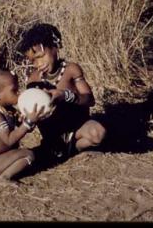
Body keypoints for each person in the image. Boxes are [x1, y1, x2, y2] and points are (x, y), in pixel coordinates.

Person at [16, 23, 107, 163]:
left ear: (55, 47)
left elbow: (90, 100)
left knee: (97, 133)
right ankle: (58, 147)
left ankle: (74, 148)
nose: (38, 64)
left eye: (40, 56)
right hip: (53, 134)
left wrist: (65, 95)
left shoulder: (71, 70)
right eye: (33, 61)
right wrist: (27, 116)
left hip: (78, 128)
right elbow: (33, 109)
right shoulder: (33, 80)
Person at [0, 68, 46, 187]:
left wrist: (28, 122)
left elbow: (23, 130)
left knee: (33, 154)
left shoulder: (8, 111)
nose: (18, 94)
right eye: (14, 91)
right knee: (28, 155)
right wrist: (27, 123)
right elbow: (9, 140)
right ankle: (2, 178)